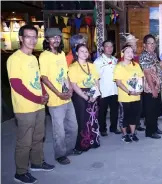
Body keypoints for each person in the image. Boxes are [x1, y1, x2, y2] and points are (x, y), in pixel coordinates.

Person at [7, 25, 54, 184]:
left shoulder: (33, 58)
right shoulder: (15, 59)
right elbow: (16, 85)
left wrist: (44, 93)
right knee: (24, 141)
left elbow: (37, 79)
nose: (33, 40)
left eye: (35, 37)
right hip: (25, 108)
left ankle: (37, 163)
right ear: (21, 38)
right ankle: (20, 172)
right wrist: (36, 98)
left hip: (39, 105)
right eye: (28, 36)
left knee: (38, 137)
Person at [39, 28, 79, 165]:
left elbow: (65, 73)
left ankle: (69, 149)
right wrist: (57, 93)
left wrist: (70, 89)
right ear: (47, 40)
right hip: (55, 100)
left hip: (67, 96)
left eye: (58, 37)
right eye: (52, 37)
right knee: (59, 131)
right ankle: (60, 154)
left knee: (73, 127)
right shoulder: (44, 56)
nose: (56, 39)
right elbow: (43, 77)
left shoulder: (61, 54)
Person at [68, 44, 101, 152]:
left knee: (93, 118)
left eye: (86, 51)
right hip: (80, 95)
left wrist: (95, 94)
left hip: (92, 92)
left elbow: (96, 81)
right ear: (76, 53)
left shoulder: (91, 65)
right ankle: (82, 144)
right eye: (82, 51)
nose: (85, 53)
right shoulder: (73, 67)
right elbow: (74, 85)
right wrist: (86, 97)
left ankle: (93, 140)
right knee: (82, 119)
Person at [114, 45, 144, 143]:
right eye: (127, 52)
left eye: (132, 52)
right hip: (125, 97)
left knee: (134, 116)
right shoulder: (119, 66)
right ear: (123, 53)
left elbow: (141, 78)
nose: (130, 54)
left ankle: (132, 133)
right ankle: (125, 134)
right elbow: (118, 82)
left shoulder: (136, 65)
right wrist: (129, 92)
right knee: (124, 117)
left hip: (136, 96)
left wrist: (141, 88)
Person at [139, 34, 162, 139]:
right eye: (149, 43)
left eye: (153, 43)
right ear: (144, 45)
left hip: (156, 87)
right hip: (149, 88)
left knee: (155, 110)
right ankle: (150, 132)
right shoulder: (144, 56)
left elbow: (157, 66)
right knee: (150, 111)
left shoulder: (153, 54)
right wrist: (153, 89)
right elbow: (147, 73)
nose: (152, 45)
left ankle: (155, 128)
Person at [94, 40, 121, 136]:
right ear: (103, 48)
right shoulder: (98, 61)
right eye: (107, 46)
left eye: (111, 46)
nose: (110, 48)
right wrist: (98, 91)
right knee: (102, 112)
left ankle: (113, 127)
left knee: (114, 110)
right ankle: (102, 129)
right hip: (103, 91)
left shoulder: (115, 60)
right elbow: (95, 77)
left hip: (114, 90)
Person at [123, 34, 146, 131]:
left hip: (137, 86)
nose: (134, 46)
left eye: (135, 44)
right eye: (132, 44)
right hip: (127, 87)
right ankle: (128, 126)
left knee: (138, 107)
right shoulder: (123, 59)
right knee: (128, 109)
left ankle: (136, 124)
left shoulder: (137, 57)